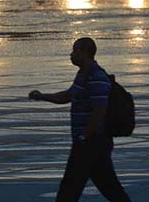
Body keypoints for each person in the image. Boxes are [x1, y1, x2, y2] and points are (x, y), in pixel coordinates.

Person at [28, 37, 131, 202]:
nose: (71, 54)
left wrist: (85, 135)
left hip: (91, 142)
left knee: (70, 187)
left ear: (85, 52)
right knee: (109, 187)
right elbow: (68, 96)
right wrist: (42, 96)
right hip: (91, 142)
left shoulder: (96, 76)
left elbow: (100, 110)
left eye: (75, 50)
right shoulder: (84, 74)